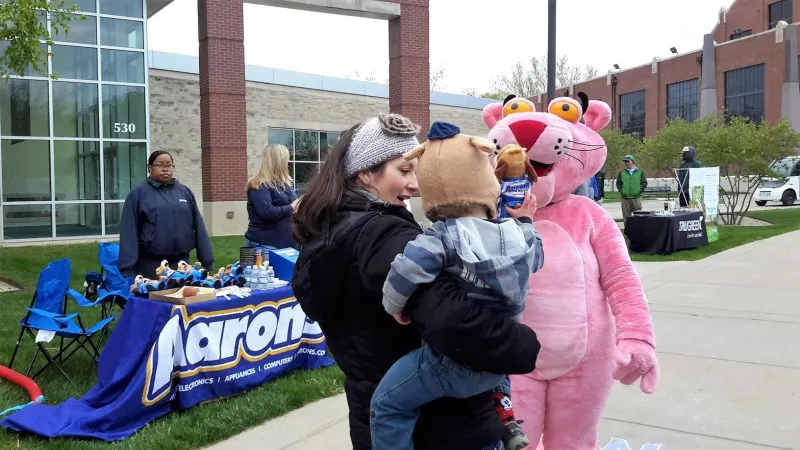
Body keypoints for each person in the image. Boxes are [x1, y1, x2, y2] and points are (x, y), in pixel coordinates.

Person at [291, 113, 541, 450]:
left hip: (377, 411)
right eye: (403, 171)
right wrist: (521, 344)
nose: (416, 184)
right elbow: (451, 317)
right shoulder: (384, 234)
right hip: (439, 425)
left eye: (416, 172)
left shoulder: (333, 229)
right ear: (365, 173)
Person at [373, 124, 544, 450]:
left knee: (388, 404)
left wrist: (395, 307)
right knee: (495, 367)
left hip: (452, 364)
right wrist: (525, 222)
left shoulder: (441, 237)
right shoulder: (516, 234)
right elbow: (536, 259)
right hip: (500, 362)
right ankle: (506, 420)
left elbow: (405, 271)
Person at [118, 150, 213, 279]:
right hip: (151, 265)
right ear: (150, 168)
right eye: (160, 165)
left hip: (182, 264)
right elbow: (129, 231)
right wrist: (127, 267)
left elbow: (198, 225)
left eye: (169, 165)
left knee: (181, 296)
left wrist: (207, 259)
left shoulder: (184, 192)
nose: (165, 169)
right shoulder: (139, 194)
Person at [245, 144, 298, 249]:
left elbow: (293, 204)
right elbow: (266, 212)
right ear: (279, 161)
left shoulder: (285, 183)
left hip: (286, 243)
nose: (287, 162)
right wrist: (291, 207)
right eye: (286, 159)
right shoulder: (259, 184)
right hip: (264, 244)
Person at [616, 154, 648, 220]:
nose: (626, 163)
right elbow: (618, 183)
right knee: (626, 217)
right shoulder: (622, 173)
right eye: (625, 162)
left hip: (636, 198)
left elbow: (644, 183)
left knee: (638, 216)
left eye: (628, 161)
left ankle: (638, 229)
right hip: (625, 199)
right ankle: (628, 230)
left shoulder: (640, 172)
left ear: (633, 161)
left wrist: (639, 190)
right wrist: (622, 190)